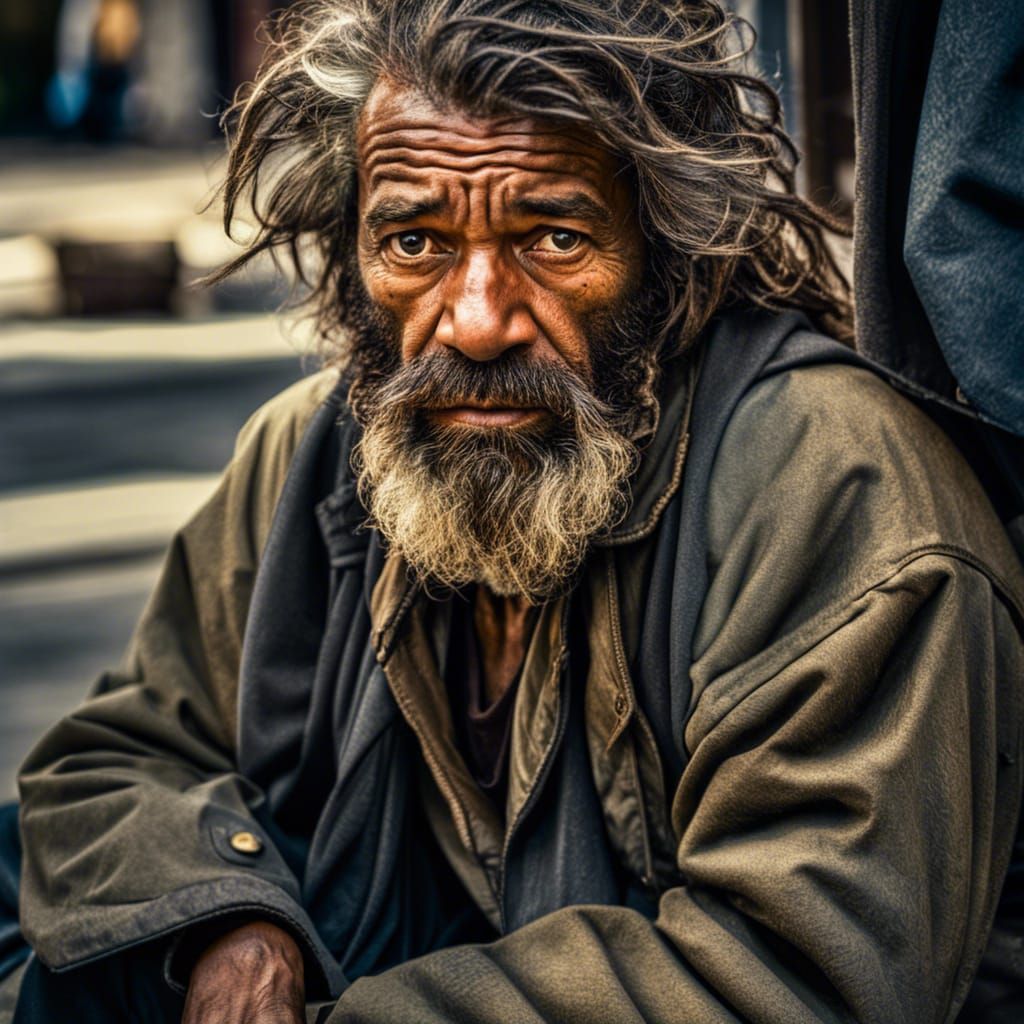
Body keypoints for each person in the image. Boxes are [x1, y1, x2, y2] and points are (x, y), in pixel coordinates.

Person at [5, 1, 1024, 1021]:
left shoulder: (833, 488)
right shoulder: (313, 456)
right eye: (414, 240)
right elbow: (116, 757)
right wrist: (226, 920)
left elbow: (799, 977)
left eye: (551, 235)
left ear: (666, 254)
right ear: (355, 258)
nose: (478, 318)